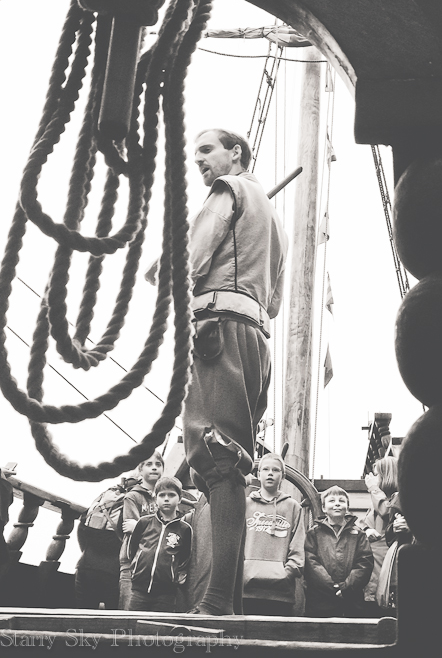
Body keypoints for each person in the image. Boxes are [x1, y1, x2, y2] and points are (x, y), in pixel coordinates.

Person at [181, 129, 288, 616]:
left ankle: (218, 601)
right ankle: (231, 602)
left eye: (206, 149)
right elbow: (275, 301)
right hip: (254, 339)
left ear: (235, 153)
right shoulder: (275, 222)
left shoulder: (230, 189)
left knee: (217, 459)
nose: (198, 159)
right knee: (230, 462)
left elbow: (192, 259)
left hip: (216, 330)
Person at [243, 452, 305, 616]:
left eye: (275, 470)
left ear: (282, 476)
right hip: (246, 591)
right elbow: (235, 544)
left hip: (281, 594)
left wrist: (287, 573)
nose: (270, 473)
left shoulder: (293, 507)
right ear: (258, 474)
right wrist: (242, 571)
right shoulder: (245, 505)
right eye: (266, 469)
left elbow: (298, 546)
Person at [304, 485, 373, 618]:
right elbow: (311, 562)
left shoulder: (359, 534)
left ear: (347, 507)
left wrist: (346, 588)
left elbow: (364, 563)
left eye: (341, 501)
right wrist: (331, 586)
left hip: (351, 600)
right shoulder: (313, 534)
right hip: (320, 600)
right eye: (332, 501)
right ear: (324, 508)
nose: (337, 504)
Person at [127, 477, 192, 612]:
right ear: (155, 498)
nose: (166, 499)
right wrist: (136, 569)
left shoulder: (185, 529)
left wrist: (175, 576)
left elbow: (185, 557)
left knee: (160, 624)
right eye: (162, 495)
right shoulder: (144, 522)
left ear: (180, 499)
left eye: (171, 495)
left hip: (166, 594)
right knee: (133, 623)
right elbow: (132, 549)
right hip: (139, 590)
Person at [118, 453, 164, 609]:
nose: (154, 468)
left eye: (158, 464)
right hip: (132, 562)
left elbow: (171, 530)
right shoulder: (132, 497)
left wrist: (139, 526)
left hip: (158, 563)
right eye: (149, 464)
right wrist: (158, 530)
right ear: (140, 469)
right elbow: (131, 530)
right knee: (129, 609)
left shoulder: (166, 499)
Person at [357, 456, 398, 616]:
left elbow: (388, 511)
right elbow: (363, 523)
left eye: (377, 474)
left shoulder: (397, 497)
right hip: (372, 572)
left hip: (387, 573)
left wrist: (374, 488)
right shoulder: (376, 500)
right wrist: (366, 529)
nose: (373, 478)